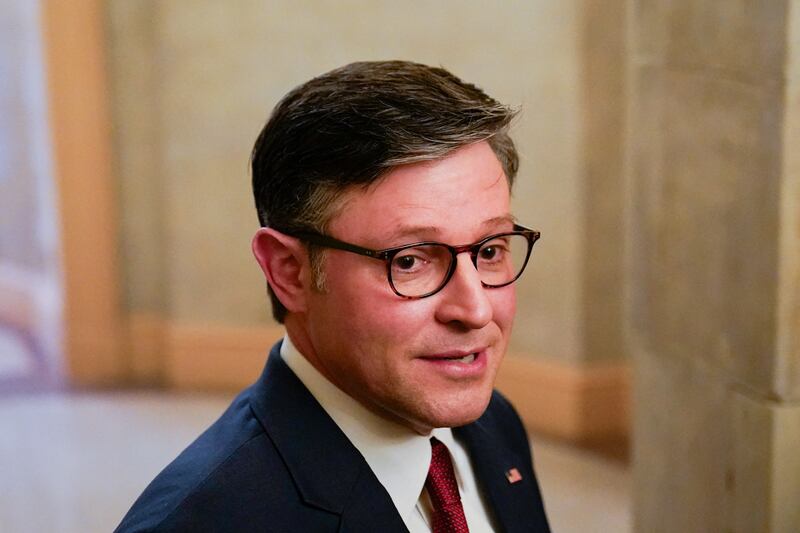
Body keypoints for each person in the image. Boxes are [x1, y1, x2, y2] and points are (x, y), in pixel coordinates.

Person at [116, 60, 550, 532]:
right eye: (409, 260)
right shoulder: (198, 522)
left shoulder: (493, 426)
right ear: (291, 272)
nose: (475, 309)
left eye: (489, 250)